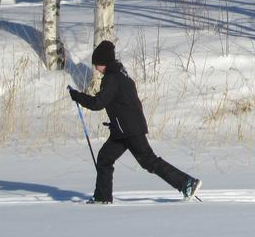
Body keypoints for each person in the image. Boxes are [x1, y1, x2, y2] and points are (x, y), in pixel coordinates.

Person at [69, 40, 201, 204]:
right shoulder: (121, 75)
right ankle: (102, 198)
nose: (96, 67)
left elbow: (98, 103)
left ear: (105, 63)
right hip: (123, 130)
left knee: (149, 161)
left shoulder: (113, 78)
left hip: (129, 130)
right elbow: (124, 104)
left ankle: (187, 183)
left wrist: (78, 96)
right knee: (105, 158)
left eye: (97, 64)